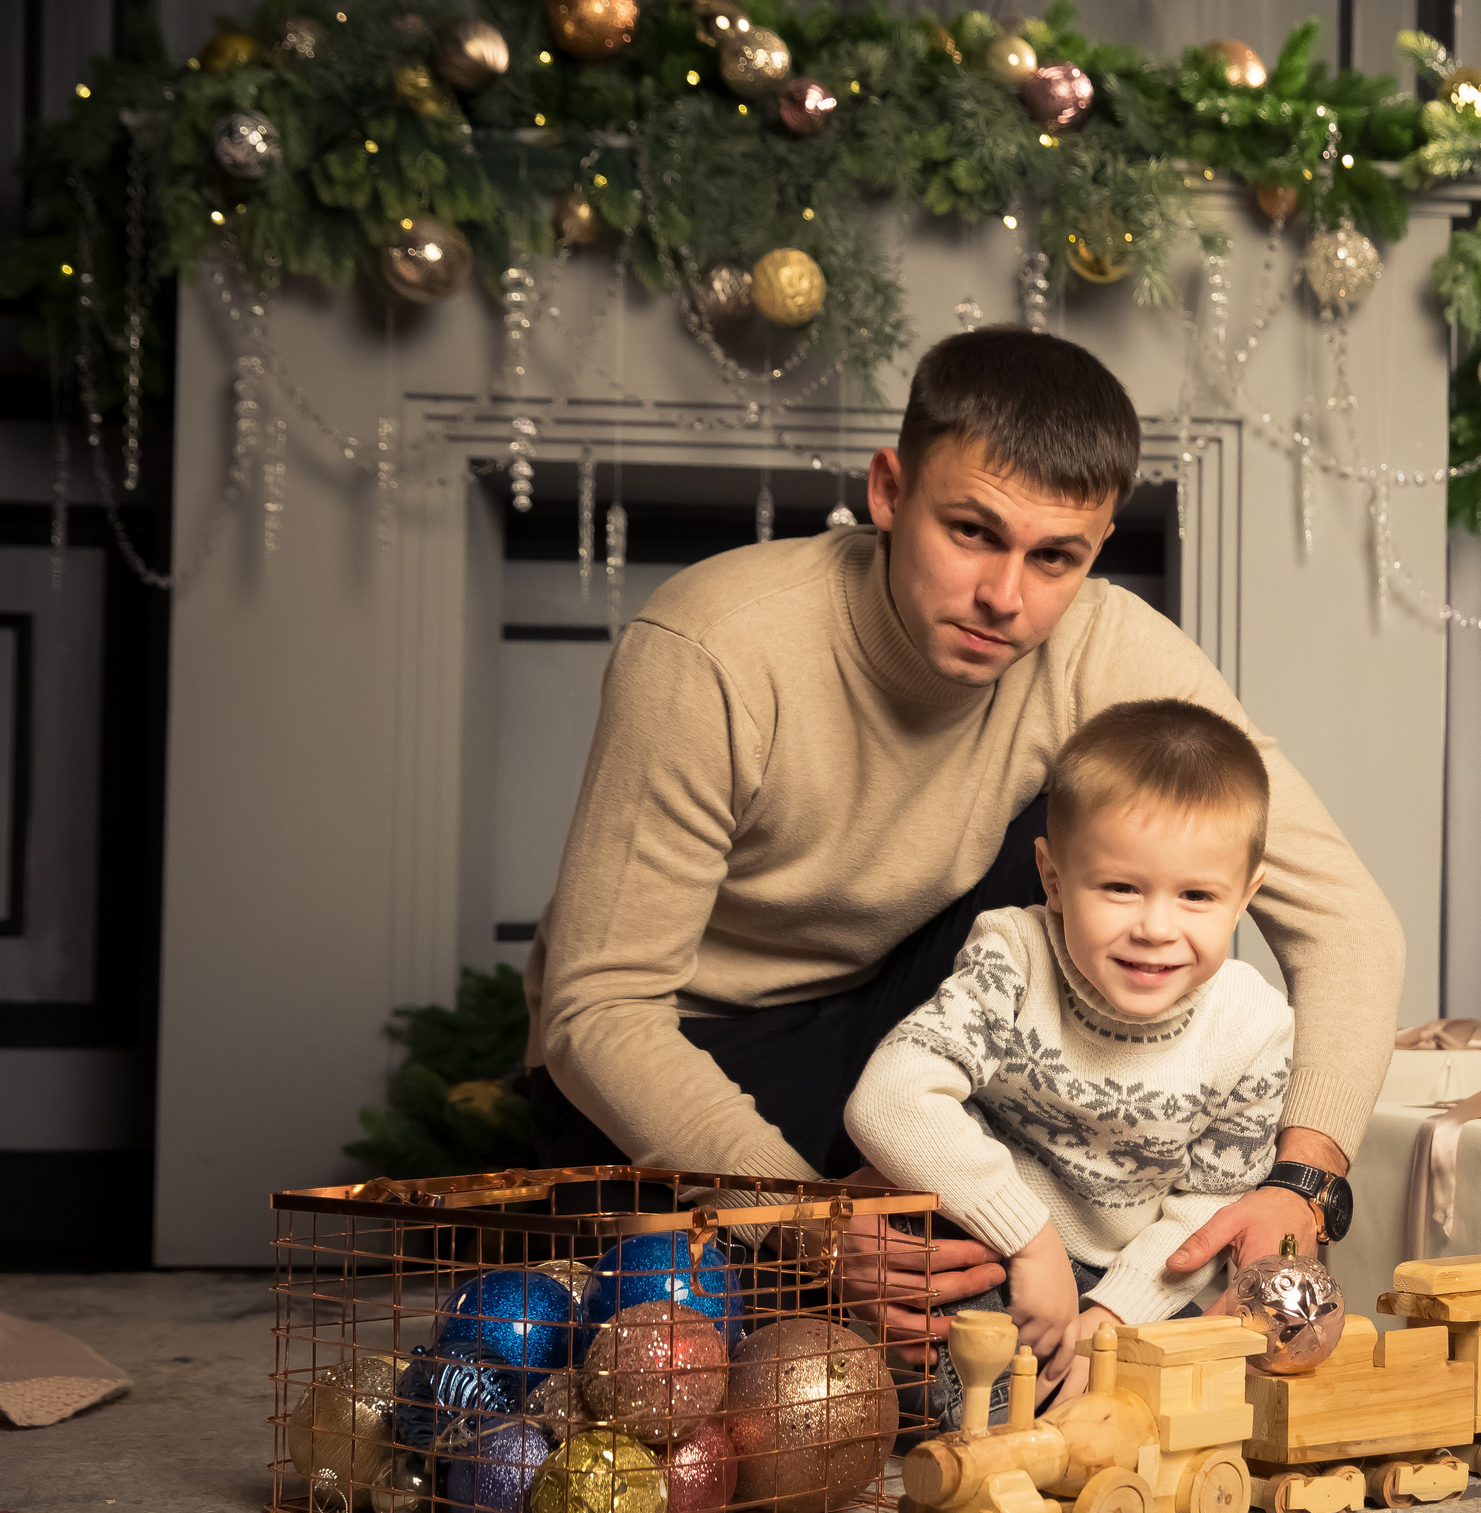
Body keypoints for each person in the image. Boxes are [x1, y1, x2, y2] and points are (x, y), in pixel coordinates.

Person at [521, 326, 1394, 1361]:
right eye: (972, 531)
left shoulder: (1099, 644)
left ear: (1097, 546)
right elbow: (596, 1008)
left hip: (906, 1019)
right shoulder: (714, 648)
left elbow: (1346, 920)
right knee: (706, 1360)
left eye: (1054, 557)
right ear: (889, 491)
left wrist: (1302, 1181)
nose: (1005, 597)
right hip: (697, 1047)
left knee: (1119, 825)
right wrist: (805, 1219)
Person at [844, 699, 1291, 1428]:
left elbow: (1209, 1203)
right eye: (1120, 887)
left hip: (1140, 1272)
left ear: (1245, 896)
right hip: (994, 1243)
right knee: (981, 1393)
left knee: (1201, 1396)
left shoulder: (1254, 1023)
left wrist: (1114, 1311)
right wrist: (1030, 1239)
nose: (1155, 927)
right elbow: (889, 1099)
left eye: (1197, 896)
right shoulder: (1014, 955)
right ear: (1053, 878)